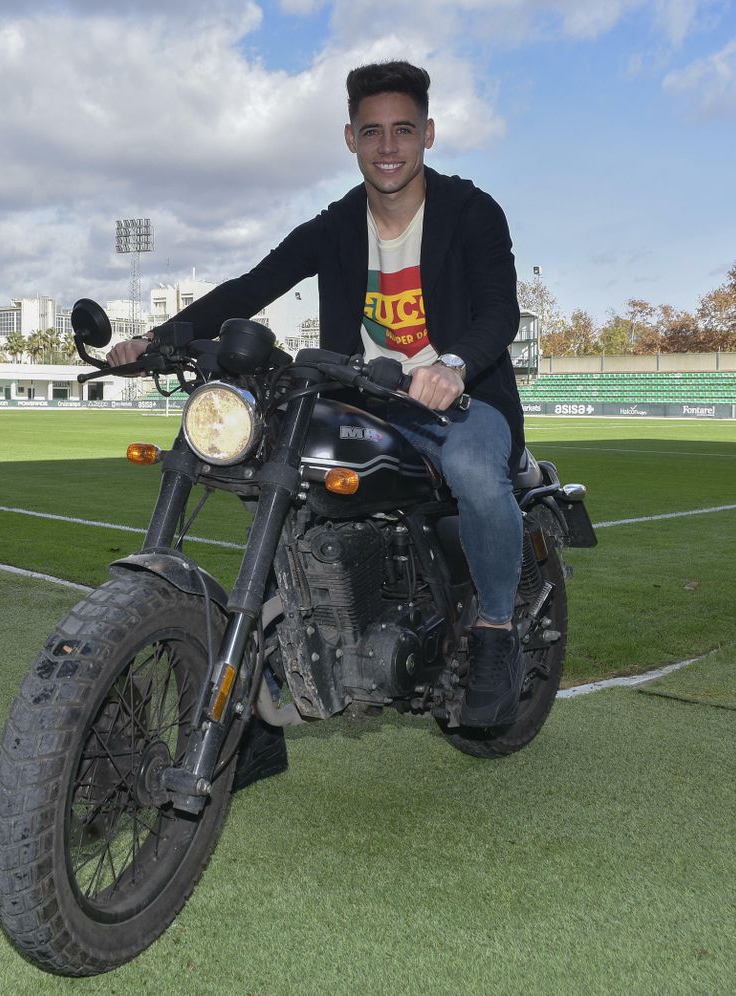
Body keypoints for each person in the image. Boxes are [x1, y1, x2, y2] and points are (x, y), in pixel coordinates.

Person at [110, 61, 526, 730]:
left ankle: (496, 631)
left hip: (461, 402)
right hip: (363, 398)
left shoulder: (472, 212)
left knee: (478, 472)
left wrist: (452, 365)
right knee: (276, 470)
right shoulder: (336, 225)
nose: (387, 147)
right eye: (371, 132)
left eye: (402, 130)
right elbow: (253, 285)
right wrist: (158, 340)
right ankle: (277, 661)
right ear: (350, 139)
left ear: (428, 134)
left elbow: (498, 312)